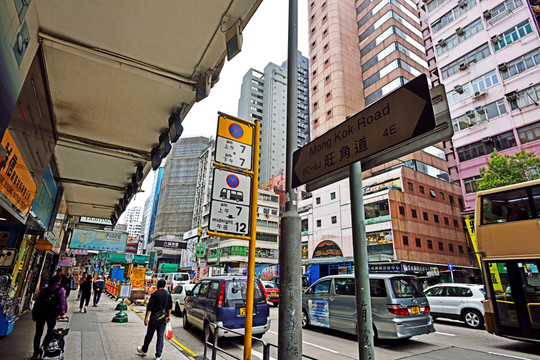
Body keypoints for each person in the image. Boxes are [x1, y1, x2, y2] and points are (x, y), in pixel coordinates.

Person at [31, 275, 67, 360]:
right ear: (59, 281)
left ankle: (35, 353)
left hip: (41, 313)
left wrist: (34, 314)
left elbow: (38, 302)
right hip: (52, 314)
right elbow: (62, 302)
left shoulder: (45, 289)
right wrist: (62, 313)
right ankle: (43, 346)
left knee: (38, 333)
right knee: (50, 331)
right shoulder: (60, 290)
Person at [137, 279, 172, 360]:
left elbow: (149, 307)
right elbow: (169, 307)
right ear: (164, 285)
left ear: (157, 285)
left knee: (149, 334)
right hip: (163, 318)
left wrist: (146, 318)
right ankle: (158, 355)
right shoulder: (168, 294)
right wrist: (169, 317)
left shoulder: (155, 294)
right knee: (160, 336)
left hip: (154, 318)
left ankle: (144, 350)